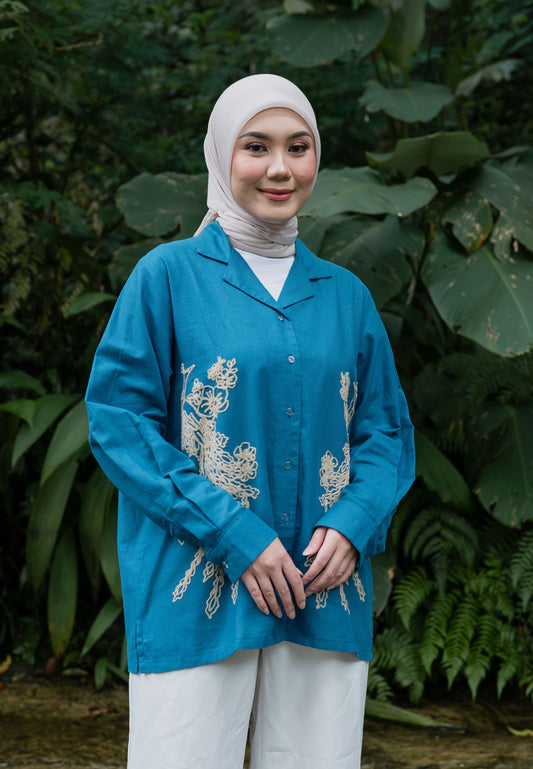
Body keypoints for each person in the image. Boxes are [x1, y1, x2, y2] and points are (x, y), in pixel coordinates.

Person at [85, 73, 415, 769]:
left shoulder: (347, 296)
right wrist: (232, 531)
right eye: (256, 146)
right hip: (194, 586)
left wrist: (353, 524)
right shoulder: (167, 277)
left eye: (298, 147)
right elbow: (120, 422)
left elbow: (384, 430)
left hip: (324, 588)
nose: (279, 168)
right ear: (219, 155)